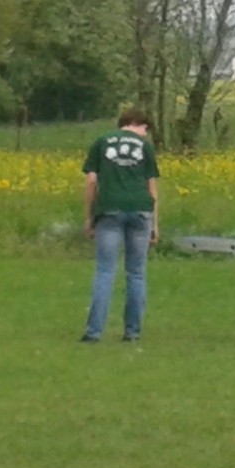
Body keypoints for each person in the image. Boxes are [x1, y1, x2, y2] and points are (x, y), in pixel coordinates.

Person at [80, 108, 160, 343]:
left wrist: (89, 216)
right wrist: (154, 223)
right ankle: (132, 331)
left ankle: (94, 331)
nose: (145, 134)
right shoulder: (145, 147)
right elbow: (151, 187)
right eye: (145, 128)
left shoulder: (101, 142)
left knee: (105, 271)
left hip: (109, 210)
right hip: (140, 211)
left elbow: (91, 181)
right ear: (135, 123)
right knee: (136, 272)